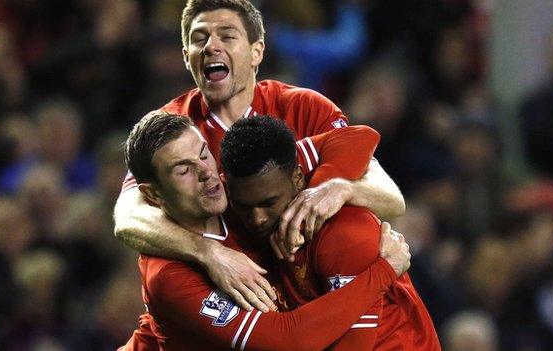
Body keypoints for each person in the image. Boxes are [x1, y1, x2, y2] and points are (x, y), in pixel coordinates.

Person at [114, 0, 406, 312]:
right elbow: (128, 218)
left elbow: (391, 200)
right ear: (187, 57)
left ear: (257, 51)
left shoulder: (305, 107)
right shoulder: (173, 128)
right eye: (199, 39)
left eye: (227, 36)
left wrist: (343, 189)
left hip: (314, 293)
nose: (211, 46)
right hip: (238, 304)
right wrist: (208, 253)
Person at [120, 112, 411, 350]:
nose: (205, 172)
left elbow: (357, 136)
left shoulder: (237, 195)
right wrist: (384, 271)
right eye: (183, 170)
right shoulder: (170, 275)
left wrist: (324, 192)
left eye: (204, 155)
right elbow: (288, 338)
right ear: (154, 196)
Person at [221, 116, 441, 350]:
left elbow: (362, 134)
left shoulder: (344, 233)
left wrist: (318, 201)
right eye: (243, 206)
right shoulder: (242, 221)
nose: (257, 219)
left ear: (297, 178)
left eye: (269, 203)